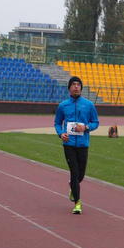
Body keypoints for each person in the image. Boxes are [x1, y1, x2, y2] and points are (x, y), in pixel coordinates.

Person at [54, 77, 100, 214]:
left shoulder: (89, 105)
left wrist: (86, 127)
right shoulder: (63, 106)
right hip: (68, 144)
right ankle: (77, 203)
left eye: (78, 84)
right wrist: (61, 133)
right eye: (73, 84)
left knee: (81, 175)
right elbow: (57, 123)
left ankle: (73, 186)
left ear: (81, 88)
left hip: (83, 144)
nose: (76, 87)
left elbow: (95, 122)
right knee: (74, 172)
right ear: (69, 88)